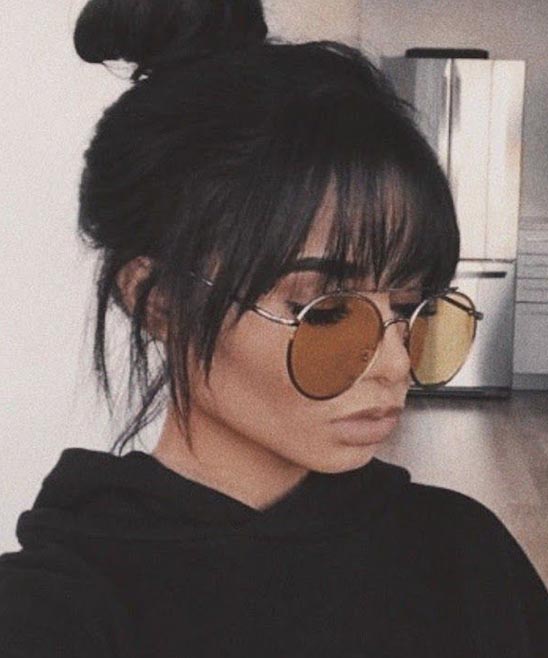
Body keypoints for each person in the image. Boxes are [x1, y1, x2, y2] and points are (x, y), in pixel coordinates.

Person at [1, 1, 547, 656]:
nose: (394, 365)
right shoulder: (50, 615)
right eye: (327, 310)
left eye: (408, 309)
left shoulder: (466, 555)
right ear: (158, 300)